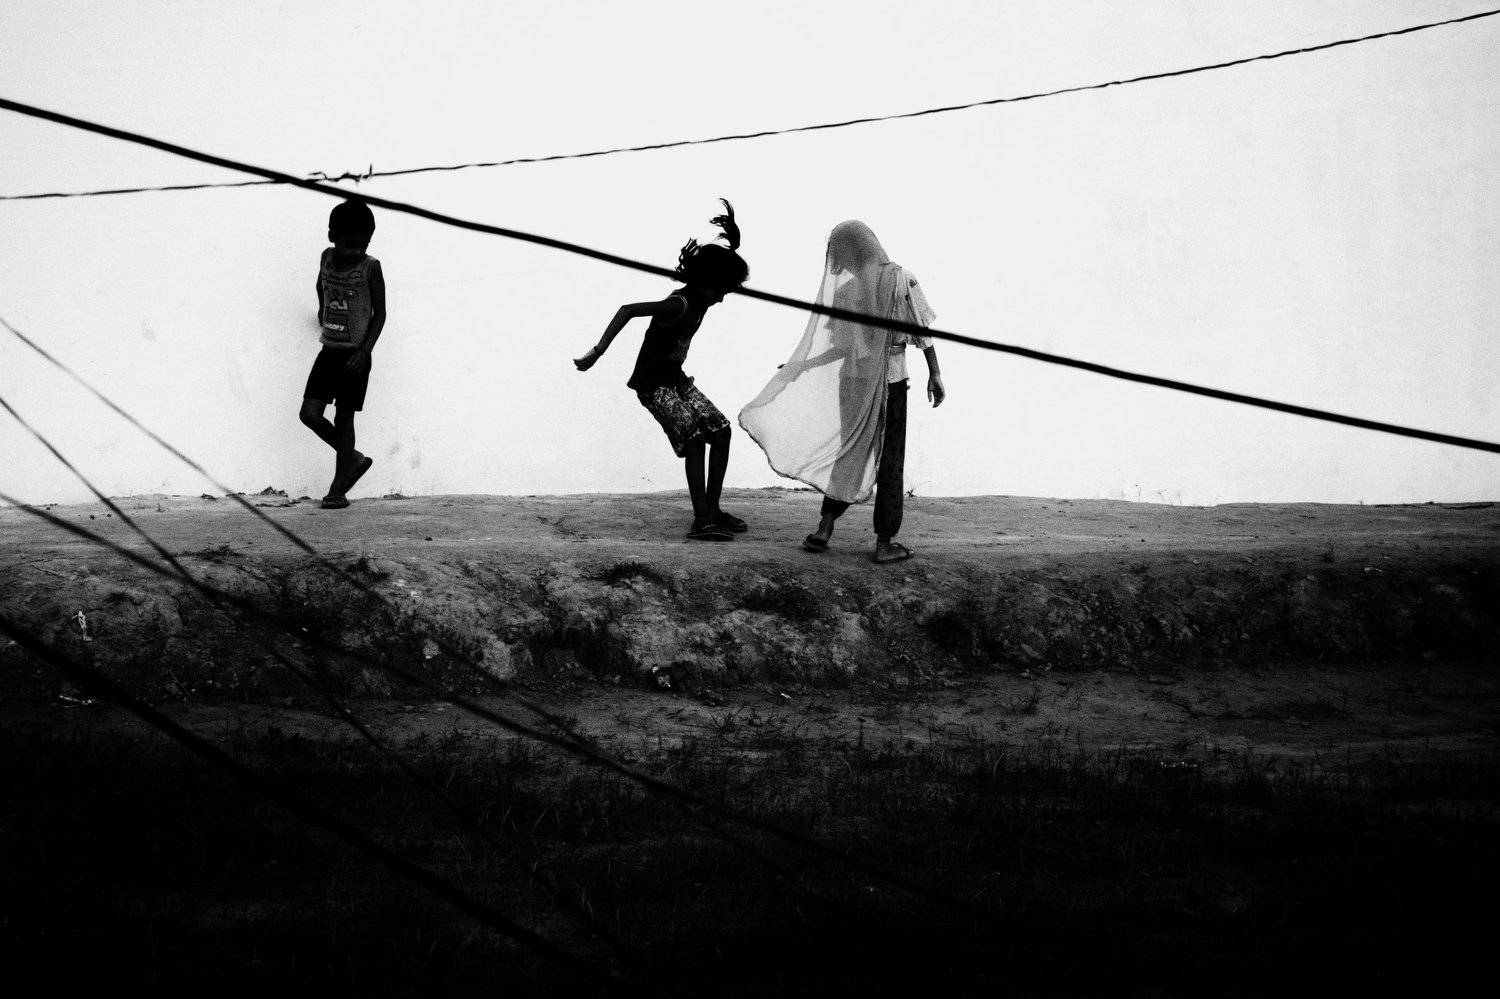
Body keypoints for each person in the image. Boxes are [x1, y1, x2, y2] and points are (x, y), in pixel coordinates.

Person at [740, 220, 944, 563]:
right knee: (890, 459)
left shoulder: (847, 290)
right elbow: (921, 330)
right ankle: (884, 543)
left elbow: (841, 347)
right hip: (891, 383)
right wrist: (934, 372)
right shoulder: (900, 279)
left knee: (849, 450)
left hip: (852, 381)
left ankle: (825, 528)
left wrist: (804, 364)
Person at [574, 200, 749, 541]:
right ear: (704, 281)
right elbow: (627, 310)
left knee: (721, 432)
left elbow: (722, 267)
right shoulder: (679, 303)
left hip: (676, 380)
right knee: (694, 440)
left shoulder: (703, 298)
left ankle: (713, 510)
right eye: (720, 291)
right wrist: (597, 352)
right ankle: (702, 520)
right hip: (653, 385)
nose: (721, 299)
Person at [299, 199, 386, 510]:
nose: (356, 252)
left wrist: (365, 351)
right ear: (332, 236)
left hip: (355, 357)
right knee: (309, 414)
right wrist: (322, 309)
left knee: (344, 418)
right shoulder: (326, 257)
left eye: (363, 245)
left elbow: (380, 314)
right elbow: (321, 283)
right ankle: (355, 459)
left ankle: (338, 489)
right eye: (349, 245)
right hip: (330, 350)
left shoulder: (370, 267)